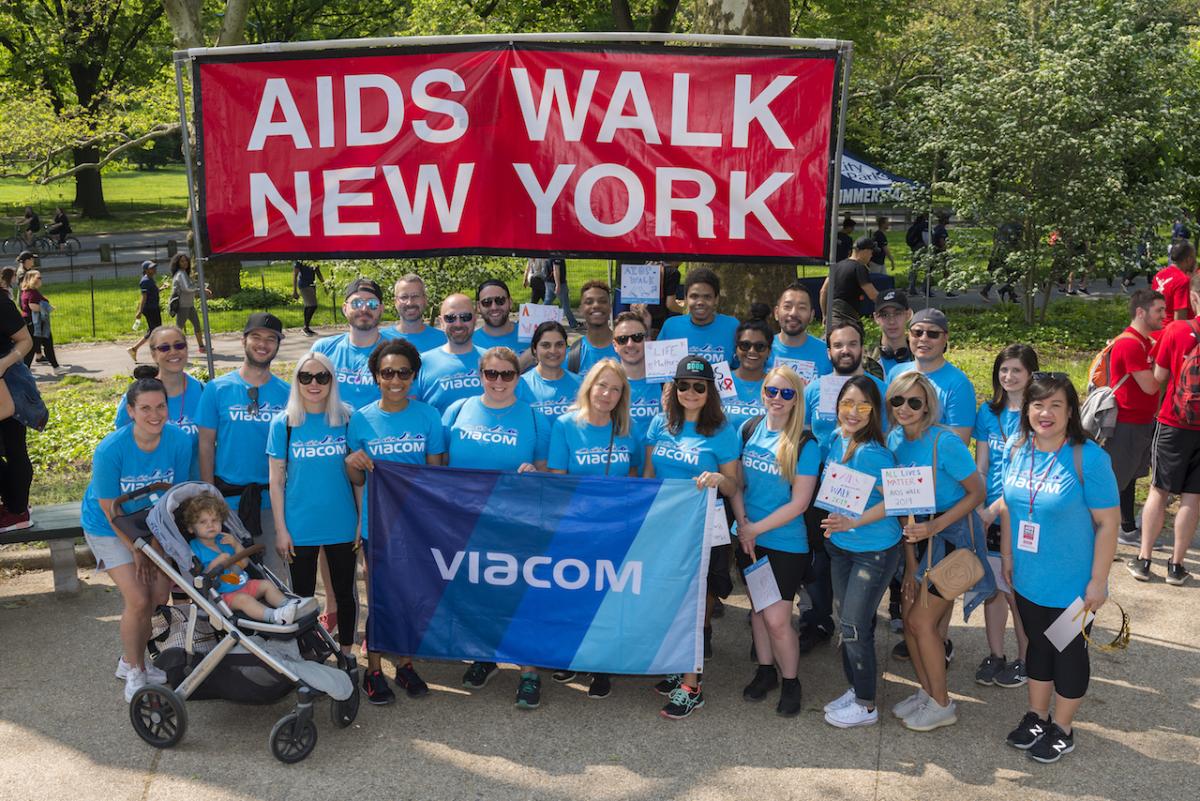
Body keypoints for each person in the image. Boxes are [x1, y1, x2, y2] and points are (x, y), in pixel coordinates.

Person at [997, 373, 1120, 763]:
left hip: (1074, 587)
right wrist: (1008, 558)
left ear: (1070, 412)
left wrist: (1098, 582)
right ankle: (1036, 715)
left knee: (1068, 653)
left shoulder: (1090, 459)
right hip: (1029, 578)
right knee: (1038, 647)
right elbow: (1010, 510)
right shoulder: (1017, 449)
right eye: (1037, 404)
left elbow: (1108, 524)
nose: (1045, 413)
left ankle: (1063, 729)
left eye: (1055, 405)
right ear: (1027, 409)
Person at [446, 347, 550, 709]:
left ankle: (529, 671)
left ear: (518, 378)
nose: (499, 381)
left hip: (514, 523)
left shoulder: (534, 419)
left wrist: (536, 474)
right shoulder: (457, 411)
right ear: (480, 375)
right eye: (492, 374)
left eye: (507, 374)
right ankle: (485, 656)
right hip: (467, 521)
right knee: (477, 592)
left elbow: (547, 473)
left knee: (520, 596)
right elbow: (438, 468)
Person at [886, 372, 990, 732]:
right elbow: (904, 506)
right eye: (898, 400)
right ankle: (929, 694)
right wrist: (912, 560)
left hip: (953, 539)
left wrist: (934, 527)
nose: (905, 408)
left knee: (920, 622)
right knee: (912, 622)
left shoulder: (944, 442)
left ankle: (942, 703)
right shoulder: (894, 441)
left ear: (928, 404)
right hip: (917, 539)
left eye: (914, 401)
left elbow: (977, 493)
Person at [80, 375, 193, 700]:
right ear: (130, 411)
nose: (154, 414)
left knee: (158, 595)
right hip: (109, 525)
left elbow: (175, 498)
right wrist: (138, 551)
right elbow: (109, 509)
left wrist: (157, 546)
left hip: (153, 522)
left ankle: (129, 659)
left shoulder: (179, 441)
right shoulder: (110, 450)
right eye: (145, 408)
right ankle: (135, 670)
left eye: (160, 407)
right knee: (139, 599)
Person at [346, 337, 446, 704]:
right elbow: (357, 480)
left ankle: (405, 665)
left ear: (414, 376)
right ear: (375, 376)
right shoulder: (361, 419)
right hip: (379, 525)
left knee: (412, 597)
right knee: (380, 599)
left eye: (403, 372)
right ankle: (373, 670)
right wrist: (352, 466)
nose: (395, 380)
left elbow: (436, 476)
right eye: (387, 372)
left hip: (417, 525)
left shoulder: (428, 417)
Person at [643, 357, 741, 719]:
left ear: (710, 391)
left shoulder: (722, 430)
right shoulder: (660, 423)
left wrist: (718, 480)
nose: (690, 392)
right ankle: (677, 665)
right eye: (683, 385)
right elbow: (649, 476)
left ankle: (692, 686)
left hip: (704, 529)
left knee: (697, 605)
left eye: (699, 386)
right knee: (670, 600)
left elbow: (735, 485)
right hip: (666, 527)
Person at [546, 359, 641, 699]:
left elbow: (637, 477)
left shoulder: (629, 430)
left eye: (615, 389)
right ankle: (573, 655)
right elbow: (557, 477)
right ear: (589, 387)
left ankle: (602, 664)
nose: (607, 393)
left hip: (614, 530)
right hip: (575, 528)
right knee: (573, 594)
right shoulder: (565, 425)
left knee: (608, 598)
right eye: (602, 385)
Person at [731, 365, 819, 718]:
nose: (777, 399)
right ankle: (765, 671)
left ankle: (791, 680)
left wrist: (755, 529)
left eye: (786, 393)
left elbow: (799, 503)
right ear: (762, 392)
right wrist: (743, 525)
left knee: (778, 618)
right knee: (758, 609)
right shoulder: (749, 429)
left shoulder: (805, 443)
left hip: (785, 542)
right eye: (772, 391)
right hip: (750, 536)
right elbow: (735, 483)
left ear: (797, 398)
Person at [818, 376, 902, 728]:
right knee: (849, 622)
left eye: (862, 406)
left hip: (874, 550)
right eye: (847, 404)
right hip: (841, 548)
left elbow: (895, 500)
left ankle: (866, 705)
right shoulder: (837, 440)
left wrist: (853, 523)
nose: (853, 412)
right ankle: (855, 689)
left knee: (853, 625)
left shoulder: (872, 453)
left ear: (874, 412)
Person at [267, 351, 358, 659]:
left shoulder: (347, 418)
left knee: (345, 594)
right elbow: (276, 482)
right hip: (299, 525)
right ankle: (307, 655)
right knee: (302, 598)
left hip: (342, 522)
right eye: (306, 377)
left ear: (332, 380)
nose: (314, 383)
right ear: (296, 382)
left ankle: (347, 654)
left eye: (322, 377)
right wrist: (281, 529)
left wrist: (361, 521)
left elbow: (358, 477)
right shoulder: (285, 423)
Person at [197, 312, 291, 580]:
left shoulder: (287, 394)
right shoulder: (217, 389)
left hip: (272, 500)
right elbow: (206, 444)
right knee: (231, 577)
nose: (263, 344)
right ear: (244, 341)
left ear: (277, 345)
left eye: (271, 339)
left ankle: (275, 622)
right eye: (256, 337)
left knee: (276, 576)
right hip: (229, 501)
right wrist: (209, 495)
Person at [973, 344, 1039, 689]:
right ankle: (995, 655)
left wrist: (995, 508)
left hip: (1021, 517)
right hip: (989, 516)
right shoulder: (988, 412)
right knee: (992, 590)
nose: (1009, 377)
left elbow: (1032, 474)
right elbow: (982, 466)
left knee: (1017, 592)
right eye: (1003, 370)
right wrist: (978, 507)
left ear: (1030, 374)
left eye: (1016, 370)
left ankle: (1026, 659)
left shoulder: (1038, 414)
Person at [1129, 271, 1200, 585]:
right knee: (1192, 496)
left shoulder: (1177, 330)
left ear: (1194, 297)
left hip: (1174, 421)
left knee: (1159, 490)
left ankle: (1144, 560)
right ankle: (1176, 566)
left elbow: (1158, 378)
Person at [182, 494, 303, 624]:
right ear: (191, 527)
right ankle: (274, 616)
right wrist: (217, 562)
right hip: (223, 596)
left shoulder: (224, 540)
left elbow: (244, 563)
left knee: (267, 585)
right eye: (203, 522)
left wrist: (235, 544)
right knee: (245, 600)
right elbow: (202, 577)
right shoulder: (194, 548)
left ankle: (289, 606)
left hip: (244, 584)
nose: (210, 525)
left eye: (215, 520)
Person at [1106, 289, 1165, 547]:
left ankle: (1126, 529)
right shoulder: (1130, 344)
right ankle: (1099, 532)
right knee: (1116, 479)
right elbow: (1151, 386)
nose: (1164, 315)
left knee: (1128, 478)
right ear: (1141, 312)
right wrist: (1168, 366)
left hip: (1140, 421)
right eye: (1159, 311)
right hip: (1126, 423)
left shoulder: (1144, 342)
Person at [115, 327, 205, 474]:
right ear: (153, 354)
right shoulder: (136, 397)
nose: (173, 351)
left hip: (194, 489)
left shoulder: (203, 392)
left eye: (179, 345)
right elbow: (124, 447)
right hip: (152, 488)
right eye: (164, 348)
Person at [887, 308, 975, 444]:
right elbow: (886, 422)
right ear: (909, 335)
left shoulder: (959, 384)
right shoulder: (896, 373)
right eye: (917, 332)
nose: (923, 338)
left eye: (933, 334)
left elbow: (960, 442)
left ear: (945, 338)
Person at [804, 320, 887, 452]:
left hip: (862, 469)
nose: (845, 350)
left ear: (862, 349)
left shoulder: (882, 390)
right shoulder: (812, 390)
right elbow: (803, 434)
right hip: (819, 470)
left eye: (852, 344)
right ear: (829, 353)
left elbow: (887, 437)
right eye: (838, 345)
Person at [313, 278, 387, 412]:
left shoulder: (395, 353)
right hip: (333, 429)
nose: (364, 309)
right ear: (345, 308)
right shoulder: (323, 349)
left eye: (372, 303)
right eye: (356, 303)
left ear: (381, 309)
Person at [412, 293, 486, 413]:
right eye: (450, 318)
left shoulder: (493, 362)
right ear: (441, 322)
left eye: (465, 317)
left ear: (475, 319)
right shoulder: (421, 363)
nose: (458, 324)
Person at [0, 288, 34, 533]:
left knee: (14, 447)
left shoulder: (1, 303)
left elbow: (26, 340)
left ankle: (18, 510)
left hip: (7, 379)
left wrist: (3, 363)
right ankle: (13, 506)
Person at [658, 267, 741, 365]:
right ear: (685, 298)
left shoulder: (732, 326)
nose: (700, 302)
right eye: (694, 296)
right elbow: (657, 368)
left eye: (707, 297)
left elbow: (741, 367)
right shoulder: (671, 326)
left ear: (716, 299)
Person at [612, 311, 661, 440]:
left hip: (658, 459)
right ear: (615, 345)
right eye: (622, 339)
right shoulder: (607, 386)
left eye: (637, 337)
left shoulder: (666, 383)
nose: (630, 344)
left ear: (648, 340)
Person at [519, 321, 582, 419]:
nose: (553, 351)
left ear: (566, 347)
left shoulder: (581, 384)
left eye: (559, 344)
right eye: (546, 345)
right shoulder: (521, 385)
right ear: (534, 349)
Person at [770, 282, 832, 381]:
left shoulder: (827, 354)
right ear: (776, 313)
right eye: (787, 306)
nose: (793, 313)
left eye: (802, 308)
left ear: (811, 315)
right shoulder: (761, 350)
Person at [723, 309, 771, 431]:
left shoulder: (775, 385)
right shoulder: (721, 378)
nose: (752, 351)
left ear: (769, 352)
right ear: (736, 349)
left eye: (759, 346)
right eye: (745, 345)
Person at [821, 236, 879, 330]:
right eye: (871, 252)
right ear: (864, 251)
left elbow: (823, 291)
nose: (872, 255)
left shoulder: (837, 266)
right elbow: (873, 295)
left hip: (832, 317)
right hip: (847, 319)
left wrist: (825, 316)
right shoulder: (860, 267)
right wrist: (887, 304)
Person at [387, 273, 447, 353]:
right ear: (395, 302)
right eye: (404, 297)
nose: (410, 303)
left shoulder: (444, 340)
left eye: (415, 296)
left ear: (425, 299)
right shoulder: (380, 340)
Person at [568, 281, 617, 374]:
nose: (596, 305)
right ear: (580, 309)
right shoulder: (571, 355)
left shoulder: (627, 348)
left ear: (610, 308)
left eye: (602, 301)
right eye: (589, 302)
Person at [868, 289, 914, 377]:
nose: (892, 321)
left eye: (897, 313)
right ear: (876, 318)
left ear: (908, 315)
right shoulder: (866, 361)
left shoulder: (921, 356)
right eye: (884, 315)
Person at [169, 254, 209, 353]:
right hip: (183, 305)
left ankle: (201, 346)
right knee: (178, 329)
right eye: (182, 261)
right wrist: (201, 289)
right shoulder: (180, 274)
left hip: (189, 305)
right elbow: (187, 288)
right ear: (177, 263)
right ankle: (171, 347)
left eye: (186, 261)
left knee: (197, 325)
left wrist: (200, 288)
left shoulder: (184, 273)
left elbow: (190, 286)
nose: (185, 263)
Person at [18, 270, 58, 370]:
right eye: (38, 278)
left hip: (35, 322)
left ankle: (56, 367)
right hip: (35, 323)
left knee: (47, 343)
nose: (41, 280)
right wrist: (47, 308)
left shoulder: (28, 291)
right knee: (32, 347)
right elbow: (32, 306)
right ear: (32, 279)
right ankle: (24, 370)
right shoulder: (32, 292)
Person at [1152, 241, 1196, 322]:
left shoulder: (1159, 275)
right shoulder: (1182, 280)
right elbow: (1179, 318)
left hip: (1156, 329)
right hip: (1171, 330)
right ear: (1189, 260)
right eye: (1194, 257)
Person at [128, 261, 162, 362]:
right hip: (150, 309)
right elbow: (144, 297)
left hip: (154, 308)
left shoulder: (150, 279)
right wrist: (139, 311)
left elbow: (152, 292)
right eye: (152, 268)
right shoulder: (145, 281)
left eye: (155, 267)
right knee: (155, 331)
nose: (154, 269)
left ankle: (134, 349)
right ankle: (156, 354)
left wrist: (161, 289)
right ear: (146, 270)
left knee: (153, 331)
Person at [474, 279, 521, 351]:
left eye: (500, 300)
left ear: (510, 302)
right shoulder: (470, 343)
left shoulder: (531, 336)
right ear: (478, 307)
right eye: (487, 302)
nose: (494, 307)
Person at [292, 260, 324, 336]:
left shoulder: (314, 259)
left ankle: (306, 328)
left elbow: (318, 272)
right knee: (313, 305)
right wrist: (294, 291)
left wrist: (324, 284)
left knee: (308, 305)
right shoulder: (300, 260)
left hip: (312, 284)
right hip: (304, 285)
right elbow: (295, 274)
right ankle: (305, 327)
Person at [545, 256, 579, 328]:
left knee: (547, 302)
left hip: (549, 282)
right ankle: (573, 324)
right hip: (558, 283)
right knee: (565, 304)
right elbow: (556, 269)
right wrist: (558, 284)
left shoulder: (550, 253)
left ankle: (537, 319)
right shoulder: (558, 255)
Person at [905, 213, 930, 294]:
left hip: (914, 247)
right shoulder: (925, 224)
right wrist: (929, 247)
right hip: (922, 246)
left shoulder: (915, 225)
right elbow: (926, 237)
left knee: (915, 266)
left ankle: (911, 287)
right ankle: (925, 288)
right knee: (928, 266)